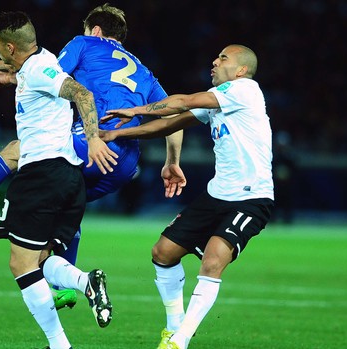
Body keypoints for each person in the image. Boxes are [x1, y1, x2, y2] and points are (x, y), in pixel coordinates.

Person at [0, 4, 186, 309]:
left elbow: (41, 69)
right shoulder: (143, 70)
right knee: (69, 196)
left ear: (94, 30)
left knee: (18, 150)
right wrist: (172, 162)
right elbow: (176, 112)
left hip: (94, 141)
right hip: (125, 163)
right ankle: (63, 284)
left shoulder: (85, 43)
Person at [0, 11, 113, 349]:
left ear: (9, 47)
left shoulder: (39, 70)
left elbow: (82, 94)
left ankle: (59, 343)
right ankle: (86, 283)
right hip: (69, 177)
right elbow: (12, 69)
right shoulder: (37, 61)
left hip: (41, 174)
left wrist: (94, 137)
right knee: (41, 260)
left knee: (20, 263)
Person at [100, 44, 274, 349]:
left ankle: (179, 342)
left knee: (213, 260)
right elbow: (169, 124)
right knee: (162, 253)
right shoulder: (218, 101)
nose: (214, 61)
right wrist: (118, 134)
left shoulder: (245, 90)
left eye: (223, 58)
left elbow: (183, 102)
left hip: (252, 197)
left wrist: (136, 110)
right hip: (217, 195)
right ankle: (173, 327)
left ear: (241, 70)